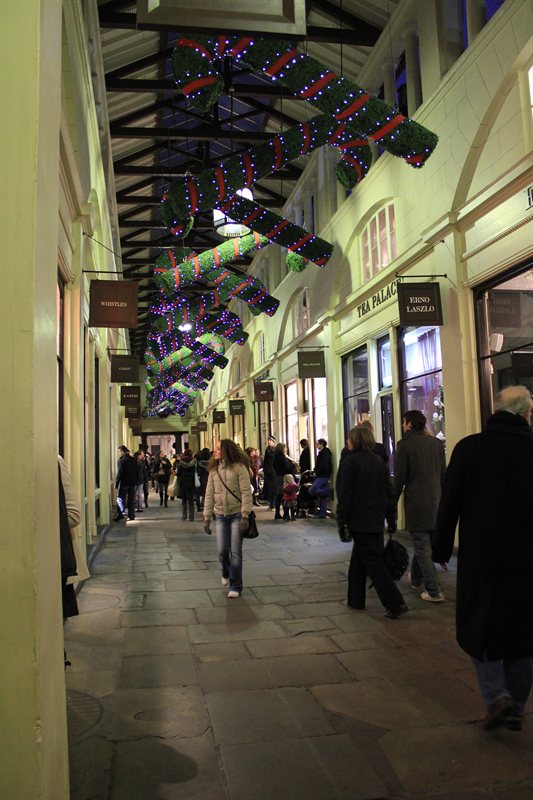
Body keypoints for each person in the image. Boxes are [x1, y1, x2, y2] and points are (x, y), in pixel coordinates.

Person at [433, 386, 533, 731]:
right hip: (525, 560)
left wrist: (441, 548)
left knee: (481, 626)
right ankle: (517, 706)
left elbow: (449, 505)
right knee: (523, 634)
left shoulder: (469, 449)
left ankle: (496, 696)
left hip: (481, 558)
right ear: (525, 415)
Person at [336, 426, 407, 619]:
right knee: (359, 561)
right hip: (375, 519)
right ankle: (355, 600)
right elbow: (388, 493)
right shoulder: (378, 462)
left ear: (355, 441)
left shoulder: (351, 463)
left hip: (360, 521)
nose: (347, 443)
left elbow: (346, 495)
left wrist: (341, 521)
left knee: (373, 564)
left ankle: (395, 602)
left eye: (349, 440)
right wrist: (391, 518)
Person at [394, 410, 446, 602]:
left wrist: (391, 503)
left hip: (417, 503)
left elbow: (399, 479)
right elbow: (443, 474)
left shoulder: (405, 445)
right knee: (423, 544)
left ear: (408, 424)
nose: (402, 425)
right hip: (436, 501)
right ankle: (416, 579)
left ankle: (433, 591)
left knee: (423, 547)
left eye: (403, 422)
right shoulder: (436, 444)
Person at [203, 439, 252, 598]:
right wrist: (206, 517)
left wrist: (245, 514)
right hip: (220, 515)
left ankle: (236, 585)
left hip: (237, 514)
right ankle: (226, 571)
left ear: (226, 451)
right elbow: (209, 494)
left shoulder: (239, 468)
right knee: (222, 551)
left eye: (218, 449)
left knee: (236, 552)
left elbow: (246, 492)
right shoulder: (213, 470)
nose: (215, 451)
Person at [308, 438, 333, 518]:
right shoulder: (323, 452)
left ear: (322, 444)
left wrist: (317, 471)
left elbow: (323, 465)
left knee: (311, 490)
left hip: (323, 475)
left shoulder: (324, 453)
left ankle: (328, 492)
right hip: (323, 475)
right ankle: (322, 513)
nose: (316, 445)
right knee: (322, 497)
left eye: (317, 443)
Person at [272, 442, 297, 520]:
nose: (286, 449)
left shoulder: (275, 457)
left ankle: (277, 513)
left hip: (277, 477)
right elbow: (286, 468)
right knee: (285, 496)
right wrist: (293, 465)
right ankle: (286, 514)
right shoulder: (282, 458)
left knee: (278, 496)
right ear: (282, 449)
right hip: (283, 478)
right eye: (285, 448)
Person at [115, 445, 137, 521]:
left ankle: (121, 513)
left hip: (124, 482)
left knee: (120, 499)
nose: (119, 453)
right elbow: (136, 471)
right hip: (132, 483)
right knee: (131, 499)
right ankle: (132, 515)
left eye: (119, 452)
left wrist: (117, 482)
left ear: (122, 451)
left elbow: (120, 472)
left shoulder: (122, 460)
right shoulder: (133, 459)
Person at [177, 448, 197, 521]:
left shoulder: (181, 462)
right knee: (191, 500)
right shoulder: (194, 462)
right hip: (192, 482)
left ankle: (184, 515)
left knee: (184, 500)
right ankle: (191, 516)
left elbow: (178, 473)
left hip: (183, 483)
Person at [262, 435, 277, 509]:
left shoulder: (275, 450)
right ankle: (271, 503)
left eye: (270, 440)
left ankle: (273, 504)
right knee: (269, 489)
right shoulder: (267, 450)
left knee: (273, 489)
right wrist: (265, 471)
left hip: (274, 472)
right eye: (268, 440)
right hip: (268, 472)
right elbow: (265, 462)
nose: (268, 442)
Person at [195, 447, 211, 512]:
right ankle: (204, 504)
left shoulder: (199, 463)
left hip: (201, 479)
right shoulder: (211, 463)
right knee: (206, 494)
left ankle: (198, 505)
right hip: (208, 479)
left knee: (198, 493)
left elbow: (198, 472)